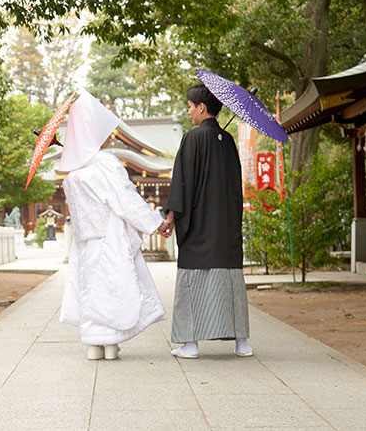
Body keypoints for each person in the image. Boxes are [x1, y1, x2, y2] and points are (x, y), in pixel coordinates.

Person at [59, 93, 167, 360]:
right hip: (109, 236)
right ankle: (110, 344)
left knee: (90, 286)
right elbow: (124, 199)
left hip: (86, 240)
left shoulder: (73, 173)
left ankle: (94, 345)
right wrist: (154, 223)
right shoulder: (105, 164)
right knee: (113, 286)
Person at [158, 83, 252, 358]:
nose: (188, 112)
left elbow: (182, 184)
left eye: (189, 106)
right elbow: (236, 188)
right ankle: (241, 343)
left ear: (201, 107)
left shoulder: (193, 139)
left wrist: (172, 217)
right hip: (225, 228)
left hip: (199, 226)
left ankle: (190, 344)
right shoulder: (229, 142)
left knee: (193, 282)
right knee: (232, 282)